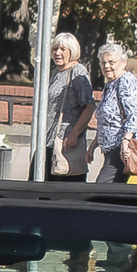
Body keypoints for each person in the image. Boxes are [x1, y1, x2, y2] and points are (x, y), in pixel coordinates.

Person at [42, 30, 95, 182]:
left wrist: (74, 134)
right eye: (55, 49)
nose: (57, 53)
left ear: (72, 51)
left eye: (62, 49)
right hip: (47, 141)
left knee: (63, 188)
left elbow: (89, 106)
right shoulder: (55, 72)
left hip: (65, 144)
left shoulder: (77, 72)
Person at [93, 41, 137, 183]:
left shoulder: (126, 81)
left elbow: (134, 115)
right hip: (111, 148)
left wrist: (126, 140)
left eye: (111, 62)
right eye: (103, 62)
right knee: (113, 189)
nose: (106, 66)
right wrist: (93, 146)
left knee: (102, 187)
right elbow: (107, 119)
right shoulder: (111, 84)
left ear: (123, 62)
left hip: (122, 147)